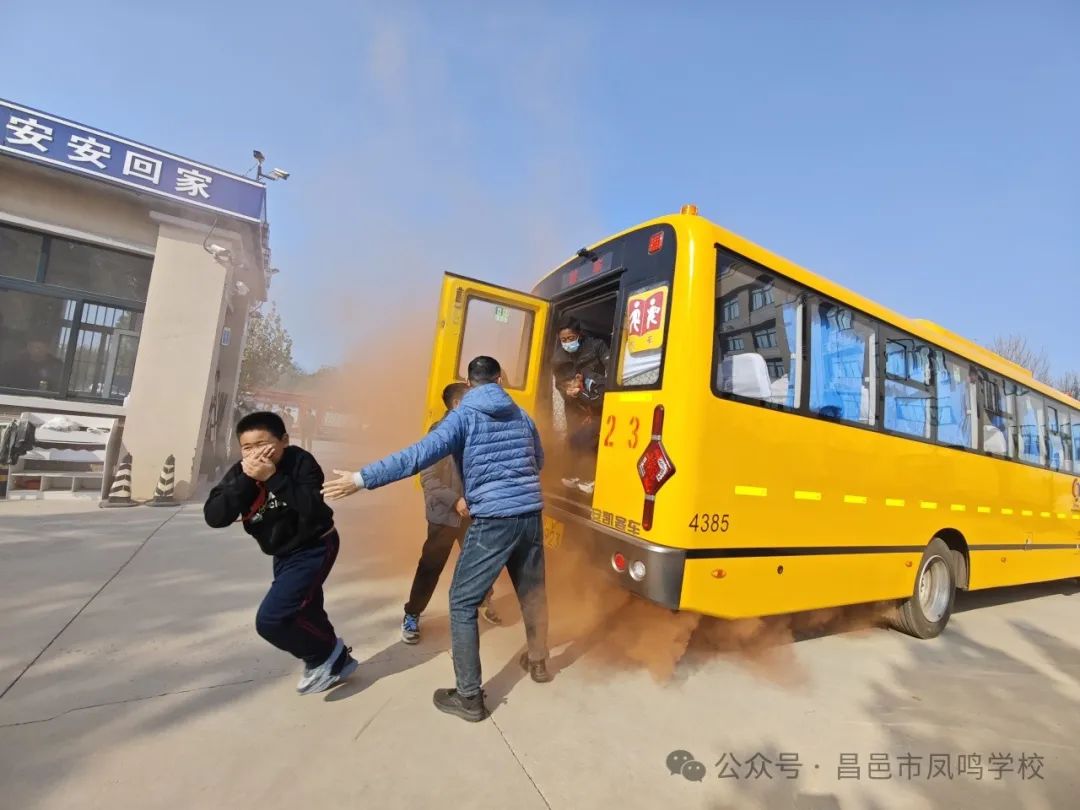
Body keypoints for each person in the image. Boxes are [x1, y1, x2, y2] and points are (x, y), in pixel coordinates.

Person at [322, 356, 551, 723]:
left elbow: (417, 456)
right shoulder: (522, 416)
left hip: (493, 519)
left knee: (461, 603)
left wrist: (361, 479)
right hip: (530, 515)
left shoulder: (463, 417)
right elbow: (538, 460)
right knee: (531, 591)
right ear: (500, 379)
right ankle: (539, 662)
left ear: (469, 382)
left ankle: (469, 697)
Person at [203, 411, 357, 695]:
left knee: (272, 619)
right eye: (248, 448)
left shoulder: (300, 462)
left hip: (315, 545)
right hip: (282, 553)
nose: (256, 453)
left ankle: (322, 656)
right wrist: (247, 480)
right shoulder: (242, 472)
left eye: (264, 444)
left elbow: (314, 508)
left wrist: (273, 478)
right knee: (305, 607)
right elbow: (215, 516)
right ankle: (337, 658)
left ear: (284, 440)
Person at [402, 382, 501, 645]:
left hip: (474, 514)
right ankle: (412, 613)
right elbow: (429, 479)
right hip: (444, 516)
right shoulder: (438, 434)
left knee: (482, 562)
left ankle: (482, 601)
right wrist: (455, 500)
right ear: (457, 405)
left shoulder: (477, 430)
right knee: (431, 566)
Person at [551, 317, 609, 494]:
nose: (567, 343)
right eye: (563, 340)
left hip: (596, 399)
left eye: (570, 338)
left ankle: (589, 478)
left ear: (580, 335)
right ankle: (572, 474)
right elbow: (560, 382)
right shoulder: (559, 357)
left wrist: (596, 383)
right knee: (574, 438)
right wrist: (567, 391)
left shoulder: (596, 345)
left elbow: (611, 367)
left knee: (591, 438)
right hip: (575, 403)